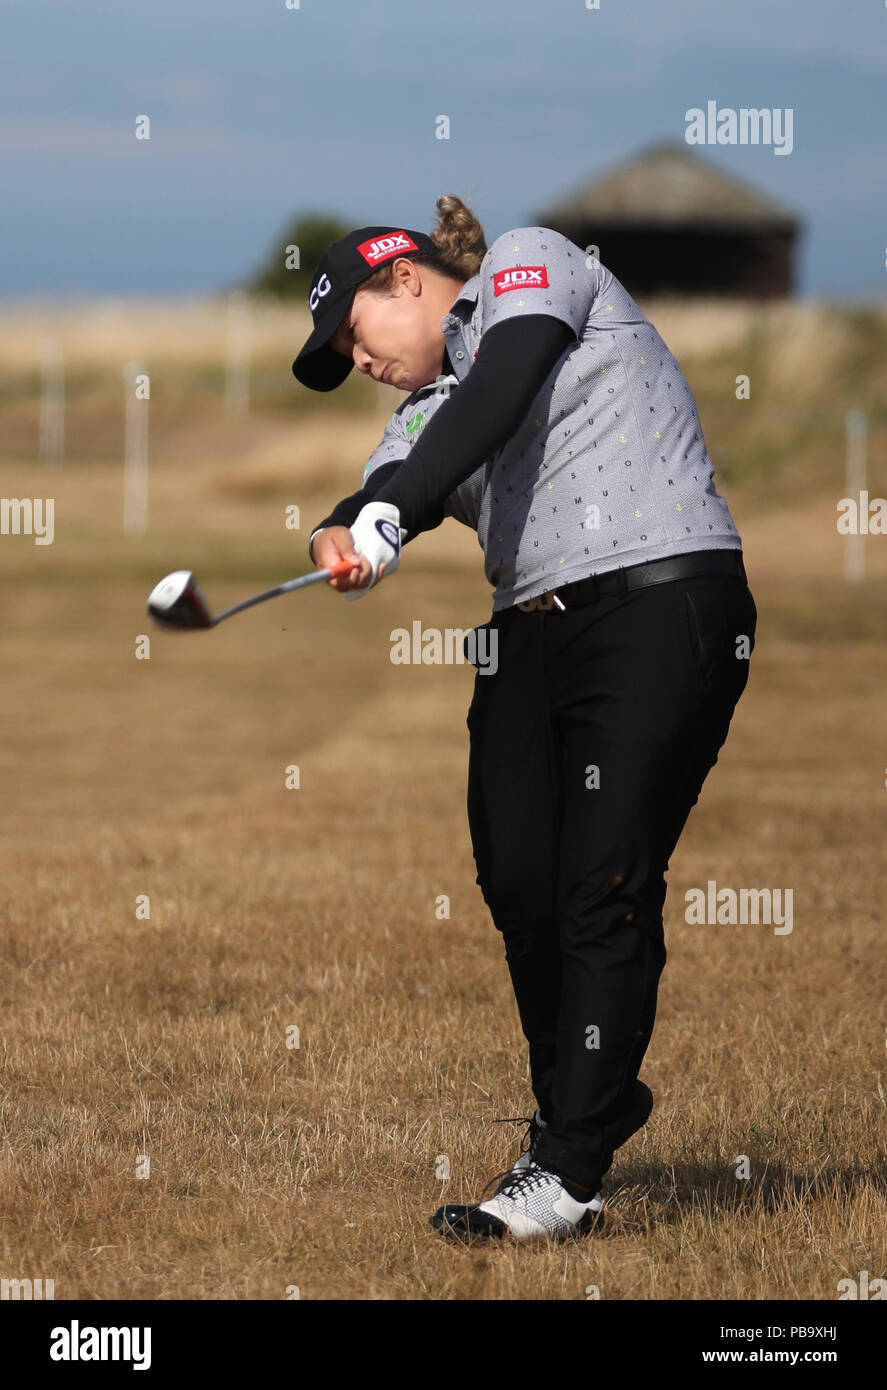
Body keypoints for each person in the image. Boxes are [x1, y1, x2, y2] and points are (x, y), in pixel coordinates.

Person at [292, 194, 757, 1243]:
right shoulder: (424, 412)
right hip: (527, 634)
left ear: (403, 277)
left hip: (658, 602)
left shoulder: (530, 264)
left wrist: (397, 511)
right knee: (517, 879)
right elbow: (385, 474)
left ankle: (564, 1165)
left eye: (351, 336)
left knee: (600, 880)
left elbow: (495, 395)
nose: (357, 362)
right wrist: (341, 533)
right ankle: (591, 1100)